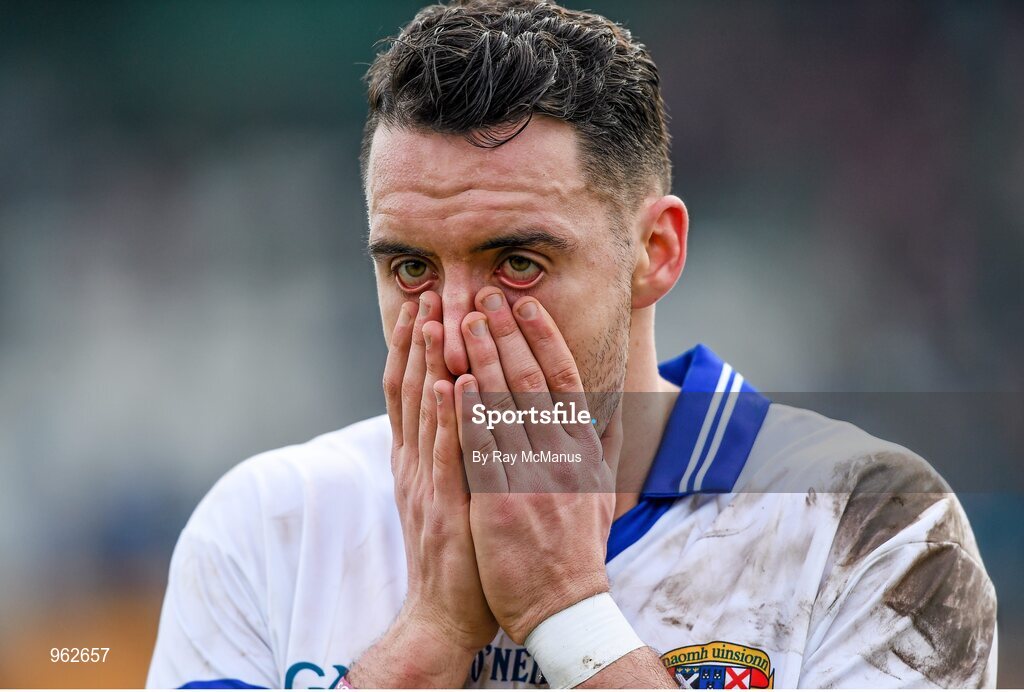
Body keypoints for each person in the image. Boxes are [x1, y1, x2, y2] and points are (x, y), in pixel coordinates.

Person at [147, 1, 997, 688]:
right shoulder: (265, 527)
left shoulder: (875, 525)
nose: (454, 325)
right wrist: (429, 639)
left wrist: (569, 613)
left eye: (517, 262)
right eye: (410, 266)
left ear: (654, 253)